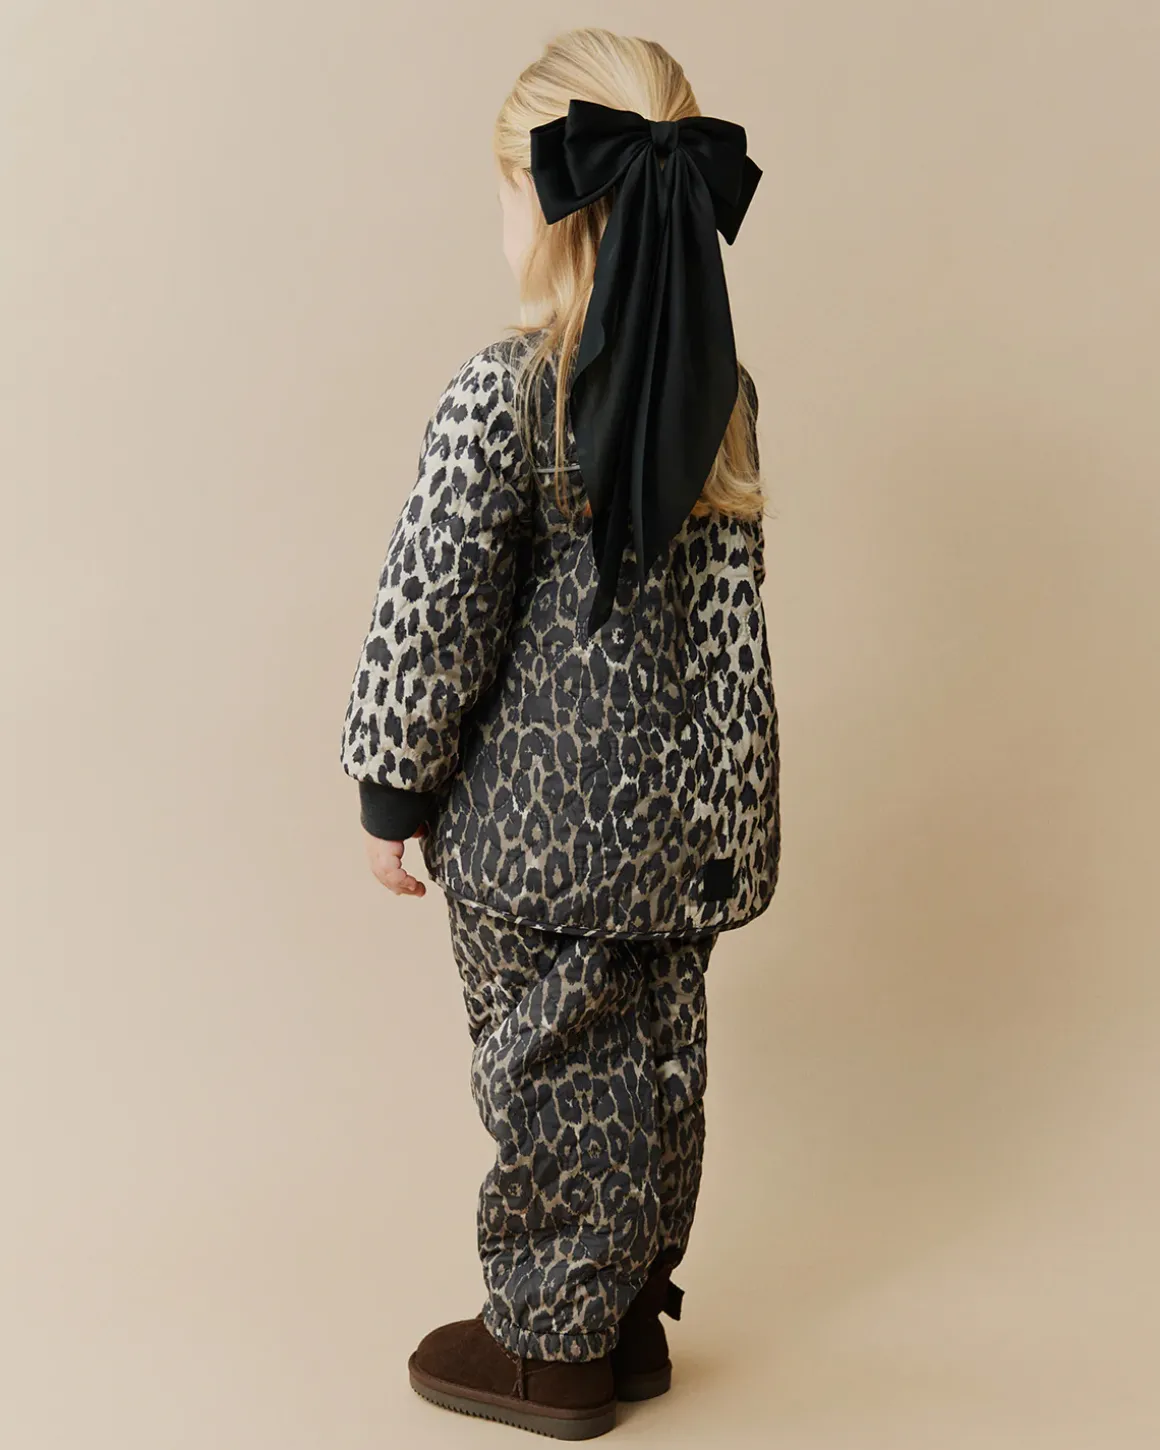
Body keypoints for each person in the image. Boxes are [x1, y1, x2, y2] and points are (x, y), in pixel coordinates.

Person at [339, 25, 780, 1441]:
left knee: (551, 1068)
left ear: (546, 207)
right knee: (657, 1059)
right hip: (681, 829)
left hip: (541, 835)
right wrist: (725, 822)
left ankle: (547, 1343)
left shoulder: (508, 392)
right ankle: (627, 1309)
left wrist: (393, 789)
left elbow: (433, 605)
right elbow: (727, 626)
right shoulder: (721, 402)